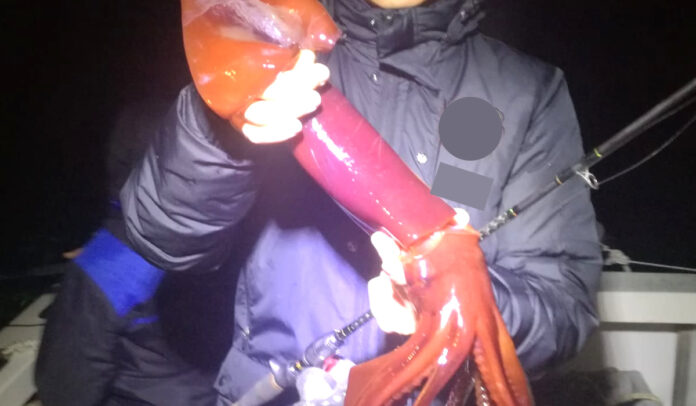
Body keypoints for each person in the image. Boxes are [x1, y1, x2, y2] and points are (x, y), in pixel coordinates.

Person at [120, 0, 603, 404]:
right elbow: (164, 237)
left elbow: (561, 303)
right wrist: (218, 127)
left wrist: (461, 294)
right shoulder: (272, 46)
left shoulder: (526, 90)